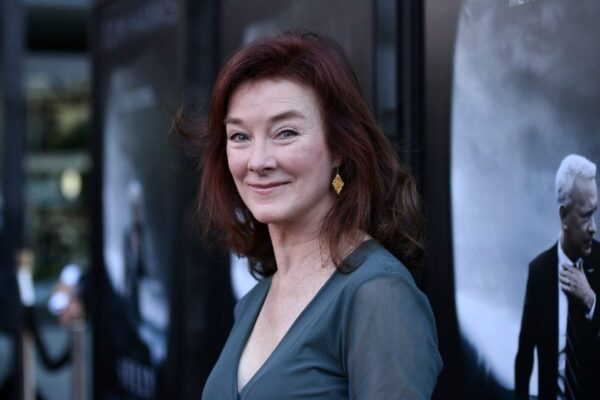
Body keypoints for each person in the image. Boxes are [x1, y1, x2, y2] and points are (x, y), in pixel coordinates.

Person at [180, 31, 442, 399]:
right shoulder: (254, 302)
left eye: (285, 132)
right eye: (239, 136)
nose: (258, 161)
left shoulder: (378, 295)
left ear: (340, 147)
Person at [515, 154, 600, 400]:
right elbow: (524, 356)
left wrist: (591, 300)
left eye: (594, 213)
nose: (593, 227)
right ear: (564, 215)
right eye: (585, 215)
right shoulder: (539, 272)